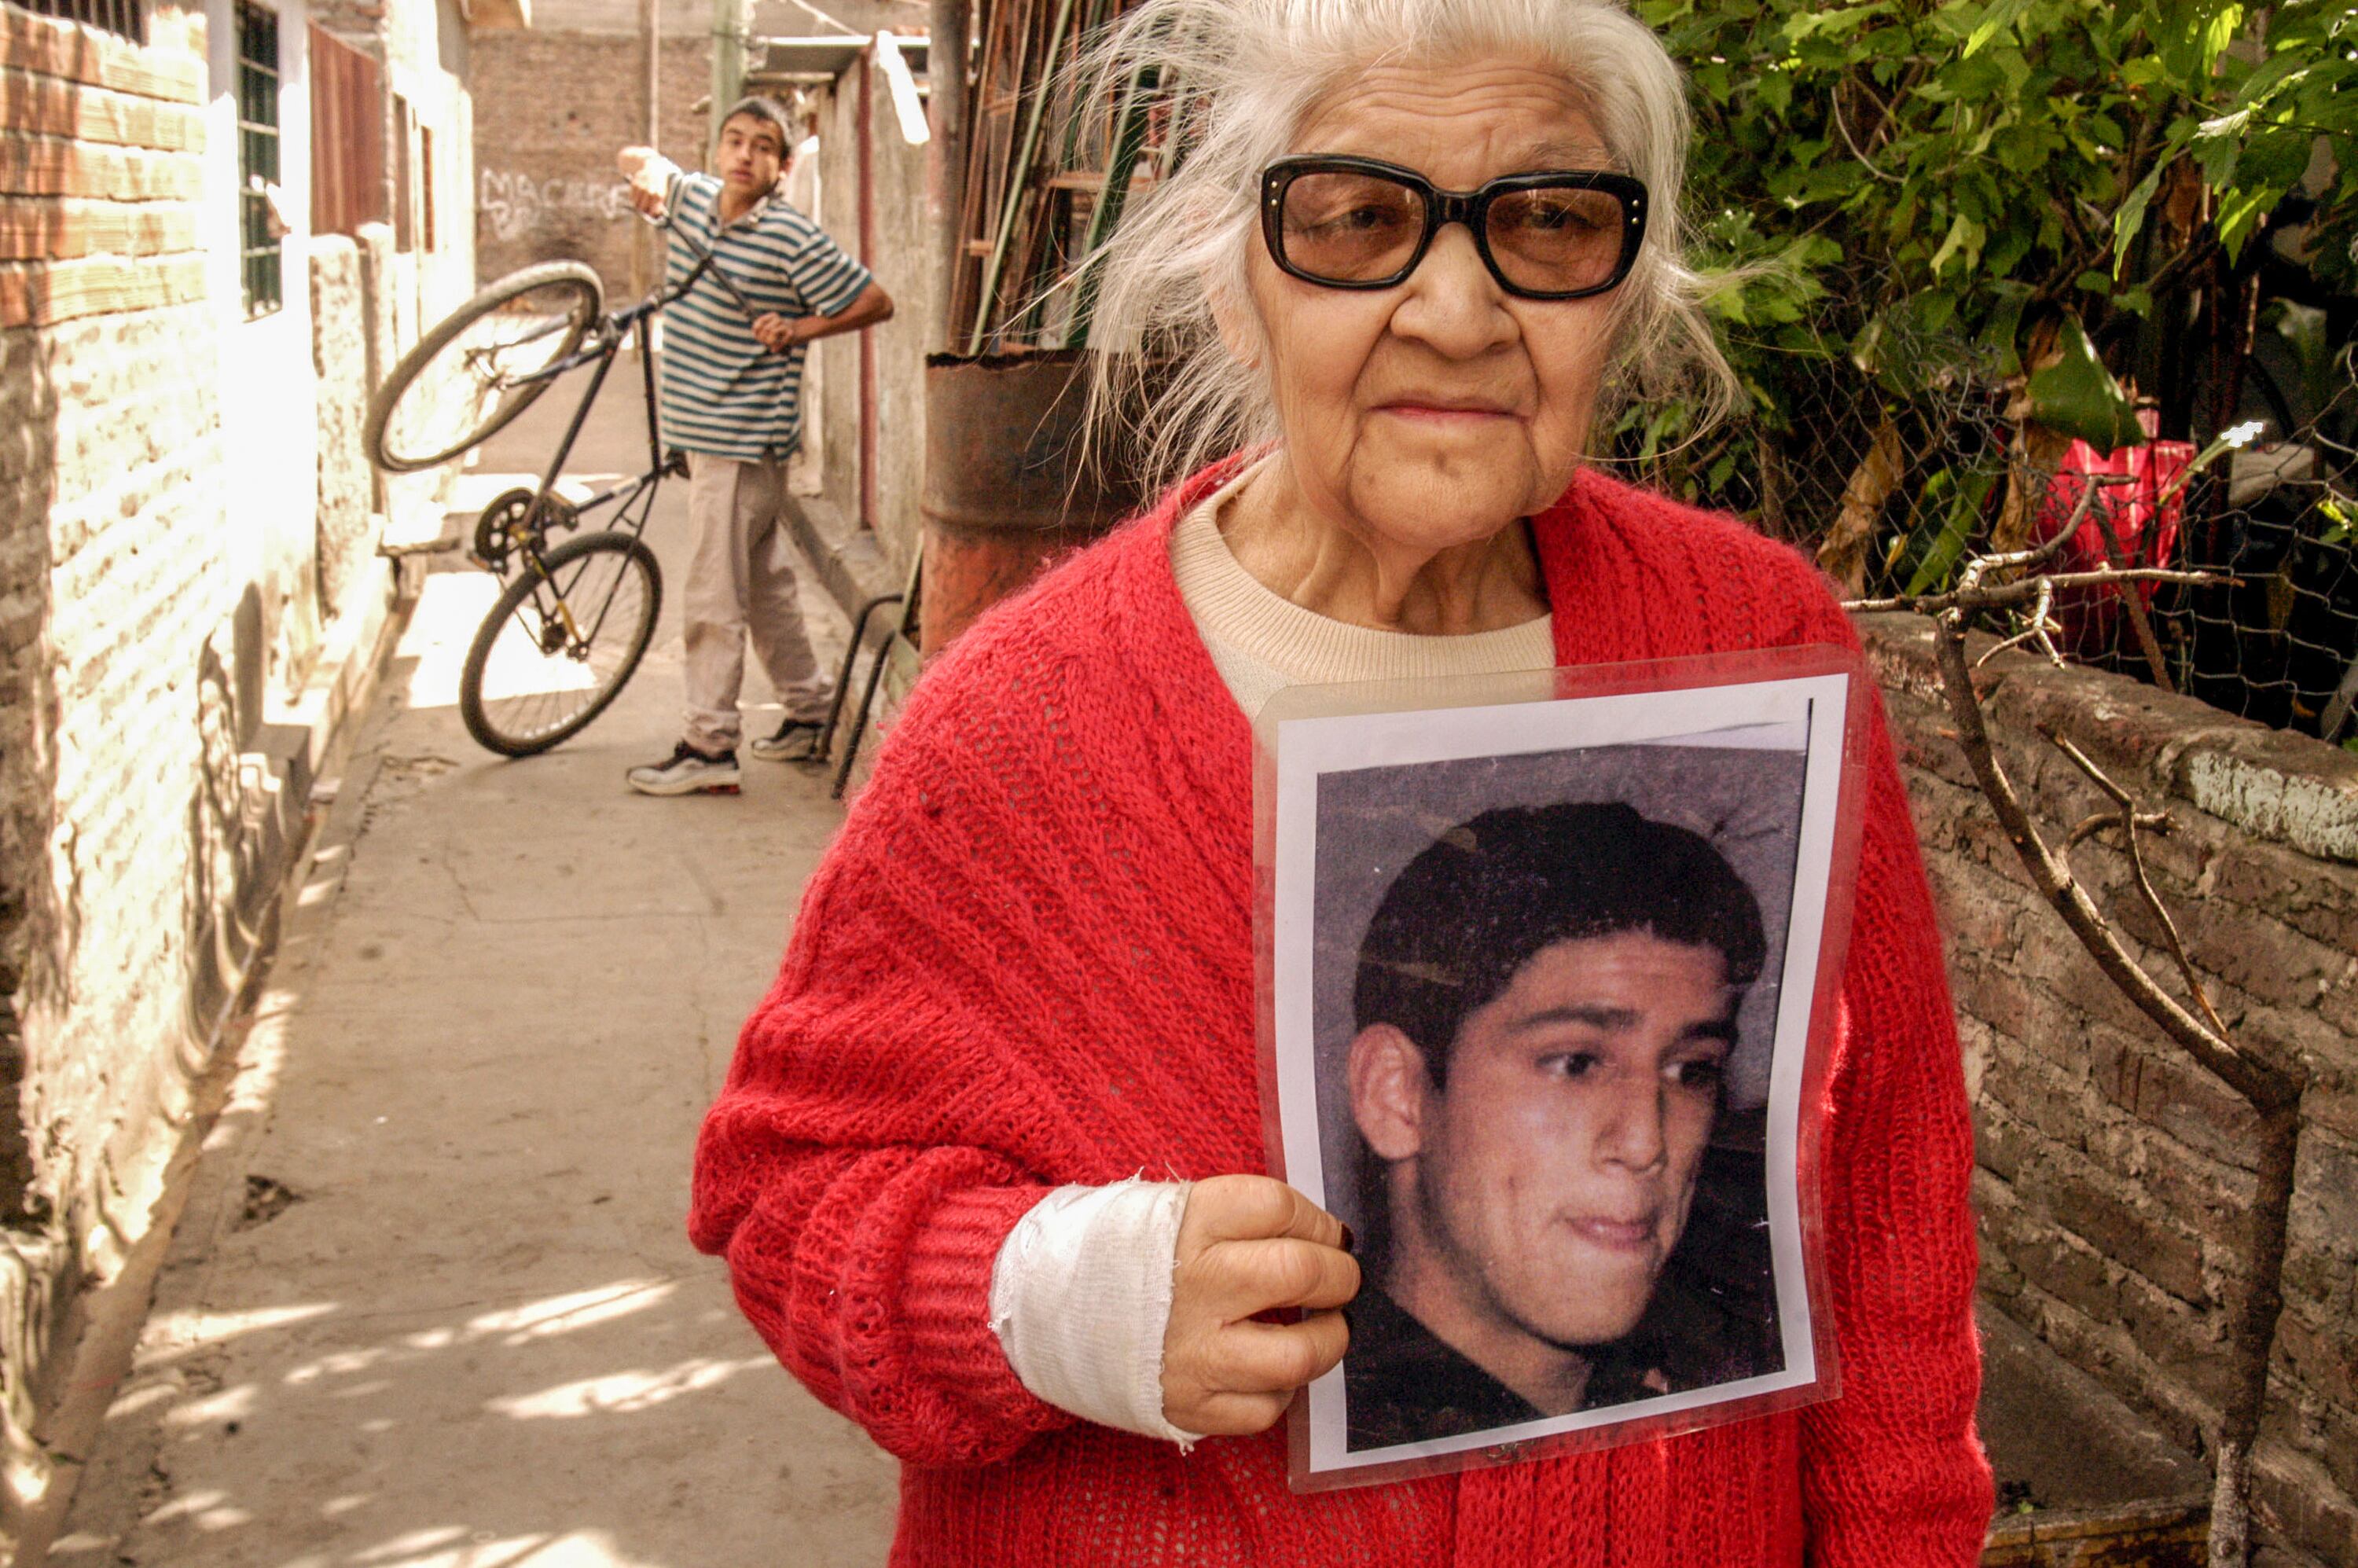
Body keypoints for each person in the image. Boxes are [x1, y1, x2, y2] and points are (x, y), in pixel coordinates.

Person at [692, 0, 1992, 1562]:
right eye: (1361, 220)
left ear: (1622, 299)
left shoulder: (1758, 642)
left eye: (1551, 222)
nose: (1456, 306)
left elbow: (1889, 1195)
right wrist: (1058, 1292)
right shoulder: (1023, 729)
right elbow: (783, 1199)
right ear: (1239, 291)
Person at [1341, 801, 1780, 1452]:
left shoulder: (1728, 1404)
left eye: (1692, 1070)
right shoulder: (1278, 1431)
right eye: (1575, 1063)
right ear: (1396, 1095)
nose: (1646, 1144)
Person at [615, 97, 894, 797]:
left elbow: (874, 300)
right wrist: (644, 169)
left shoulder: (790, 238)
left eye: (762, 146)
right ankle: (808, 712)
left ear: (783, 165)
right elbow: (639, 159)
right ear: (715, 151)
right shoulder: (691, 202)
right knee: (765, 589)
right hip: (712, 438)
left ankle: (708, 747)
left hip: (740, 441)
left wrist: (798, 330)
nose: (745, 155)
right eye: (734, 141)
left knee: (715, 595)